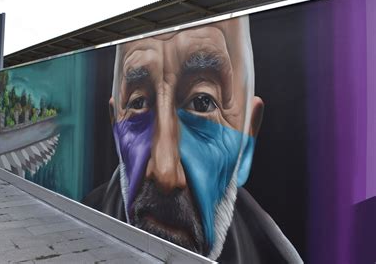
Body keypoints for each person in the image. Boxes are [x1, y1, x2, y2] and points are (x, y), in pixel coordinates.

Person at [84, 16, 302, 263]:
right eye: (138, 103)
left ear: (247, 143)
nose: (165, 173)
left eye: (202, 102)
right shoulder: (86, 221)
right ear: (116, 129)